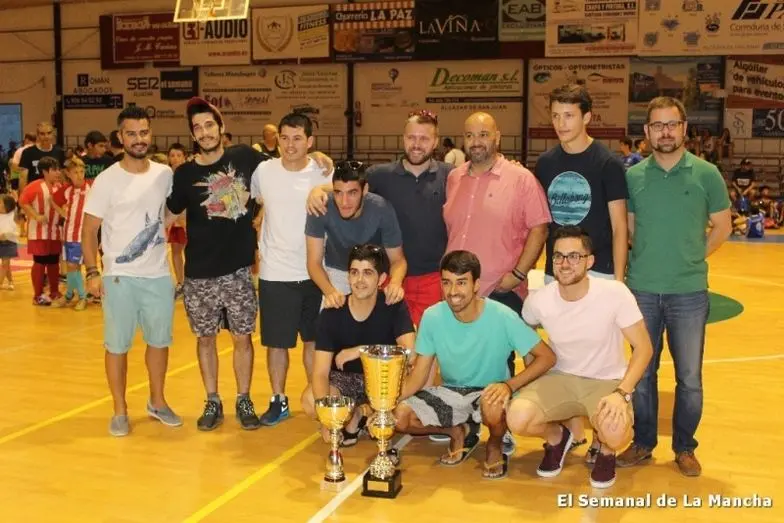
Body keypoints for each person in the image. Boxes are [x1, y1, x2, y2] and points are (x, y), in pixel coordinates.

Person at [618, 96, 732, 476]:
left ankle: (684, 447)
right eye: (657, 125)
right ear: (647, 131)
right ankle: (643, 442)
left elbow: (722, 226)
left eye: (672, 124)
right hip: (642, 290)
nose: (665, 132)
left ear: (684, 128)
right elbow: (629, 228)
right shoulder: (633, 177)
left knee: (689, 378)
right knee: (642, 373)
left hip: (689, 293)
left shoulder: (707, 174)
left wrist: (693, 257)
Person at [506, 226, 654, 488]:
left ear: (590, 261)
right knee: (517, 417)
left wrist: (622, 393)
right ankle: (557, 438)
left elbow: (644, 348)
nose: (565, 264)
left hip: (605, 381)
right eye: (558, 256)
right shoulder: (539, 300)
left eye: (574, 256)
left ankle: (606, 451)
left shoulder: (614, 293)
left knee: (615, 432)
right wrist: (534, 371)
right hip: (560, 378)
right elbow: (528, 333)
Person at [395, 250, 556, 479]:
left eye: (461, 283)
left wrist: (509, 385)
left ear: (476, 285)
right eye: (447, 283)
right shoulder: (432, 316)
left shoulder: (502, 315)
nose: (453, 291)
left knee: (491, 404)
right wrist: (386, 403)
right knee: (399, 417)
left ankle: (495, 444)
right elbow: (419, 376)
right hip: (452, 392)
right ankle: (457, 431)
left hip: (491, 391)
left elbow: (547, 357)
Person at [167, 97, 269, 432]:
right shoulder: (184, 174)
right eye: (197, 128)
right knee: (206, 339)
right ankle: (212, 399)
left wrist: (319, 162)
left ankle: (244, 398)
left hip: (238, 271)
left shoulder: (245, 157)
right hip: (199, 274)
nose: (205, 132)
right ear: (192, 134)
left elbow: (285, 168)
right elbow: (167, 215)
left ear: (221, 127)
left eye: (209, 124)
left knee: (242, 338)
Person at [82, 105, 181, 437]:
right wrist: (92, 272)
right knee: (117, 346)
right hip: (118, 277)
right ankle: (120, 410)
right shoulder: (107, 180)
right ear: (120, 137)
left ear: (150, 134)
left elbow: (172, 212)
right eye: (131, 133)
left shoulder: (165, 175)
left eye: (143, 132)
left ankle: (157, 401)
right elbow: (88, 230)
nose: (139, 139)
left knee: (159, 342)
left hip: (157, 275)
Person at [308, 110, 451, 328]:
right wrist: (317, 189)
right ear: (403, 138)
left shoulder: (451, 175)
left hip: (432, 277)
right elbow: (350, 186)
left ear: (435, 141)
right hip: (388, 277)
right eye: (411, 137)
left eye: (424, 138)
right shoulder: (380, 174)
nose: (416, 144)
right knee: (386, 341)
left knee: (428, 343)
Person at [250, 113, 331, 426]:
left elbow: (351, 190)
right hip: (275, 272)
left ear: (310, 141)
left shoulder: (324, 171)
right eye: (284, 138)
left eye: (298, 138)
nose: (290, 144)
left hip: (315, 272)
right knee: (277, 343)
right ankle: (279, 400)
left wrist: (324, 186)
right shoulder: (263, 171)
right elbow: (253, 200)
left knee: (314, 342)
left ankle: (317, 398)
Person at [302, 244, 415, 446]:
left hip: (382, 381)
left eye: (367, 273)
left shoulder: (393, 305)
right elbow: (320, 373)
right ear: (348, 276)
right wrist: (326, 415)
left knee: (403, 409)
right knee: (310, 400)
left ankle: (366, 411)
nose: (359, 280)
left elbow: (410, 353)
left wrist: (362, 351)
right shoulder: (332, 311)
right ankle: (353, 414)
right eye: (354, 272)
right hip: (345, 381)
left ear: (381, 279)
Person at [305, 161, 407, 307]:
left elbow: (398, 260)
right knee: (331, 314)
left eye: (352, 193)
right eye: (338, 192)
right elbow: (313, 263)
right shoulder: (321, 207)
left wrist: (395, 283)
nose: (344, 202)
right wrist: (330, 292)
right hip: (337, 273)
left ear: (365, 190)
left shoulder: (382, 209)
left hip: (373, 274)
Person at [18, 156, 63, 305]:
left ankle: (54, 292)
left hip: (55, 232)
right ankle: (37, 295)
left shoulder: (60, 186)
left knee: (54, 262)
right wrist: (36, 215)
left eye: (58, 169)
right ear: (44, 171)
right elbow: (23, 201)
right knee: (40, 262)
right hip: (38, 232)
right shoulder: (35, 186)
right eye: (54, 170)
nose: (58, 172)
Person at [51, 157, 91, 310]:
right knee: (71, 267)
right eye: (76, 172)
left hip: (82, 236)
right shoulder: (67, 190)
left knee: (73, 265)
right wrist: (63, 214)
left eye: (82, 171)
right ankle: (69, 295)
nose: (80, 175)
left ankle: (82, 297)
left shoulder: (91, 187)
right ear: (68, 174)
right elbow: (52, 200)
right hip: (68, 234)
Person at [166, 143, 188, 298]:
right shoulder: (166, 176)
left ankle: (192, 282)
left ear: (184, 157)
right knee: (175, 251)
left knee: (191, 252)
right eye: (172, 155)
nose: (175, 158)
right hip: (173, 220)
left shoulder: (189, 174)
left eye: (178, 155)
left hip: (189, 218)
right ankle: (180, 282)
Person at [18, 123, 66, 192]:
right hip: (34, 192)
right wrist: (22, 196)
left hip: (54, 192)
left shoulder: (59, 152)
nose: (46, 136)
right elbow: (23, 177)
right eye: (42, 134)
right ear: (38, 135)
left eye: (49, 133)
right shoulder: (28, 152)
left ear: (53, 134)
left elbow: (63, 175)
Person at [0, 194, 18, 290]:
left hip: (9, 243)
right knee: (6, 265)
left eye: (0, 202)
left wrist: (6, 235)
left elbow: (15, 232)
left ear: (6, 205)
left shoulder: (12, 215)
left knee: (5, 264)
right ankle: (11, 281)